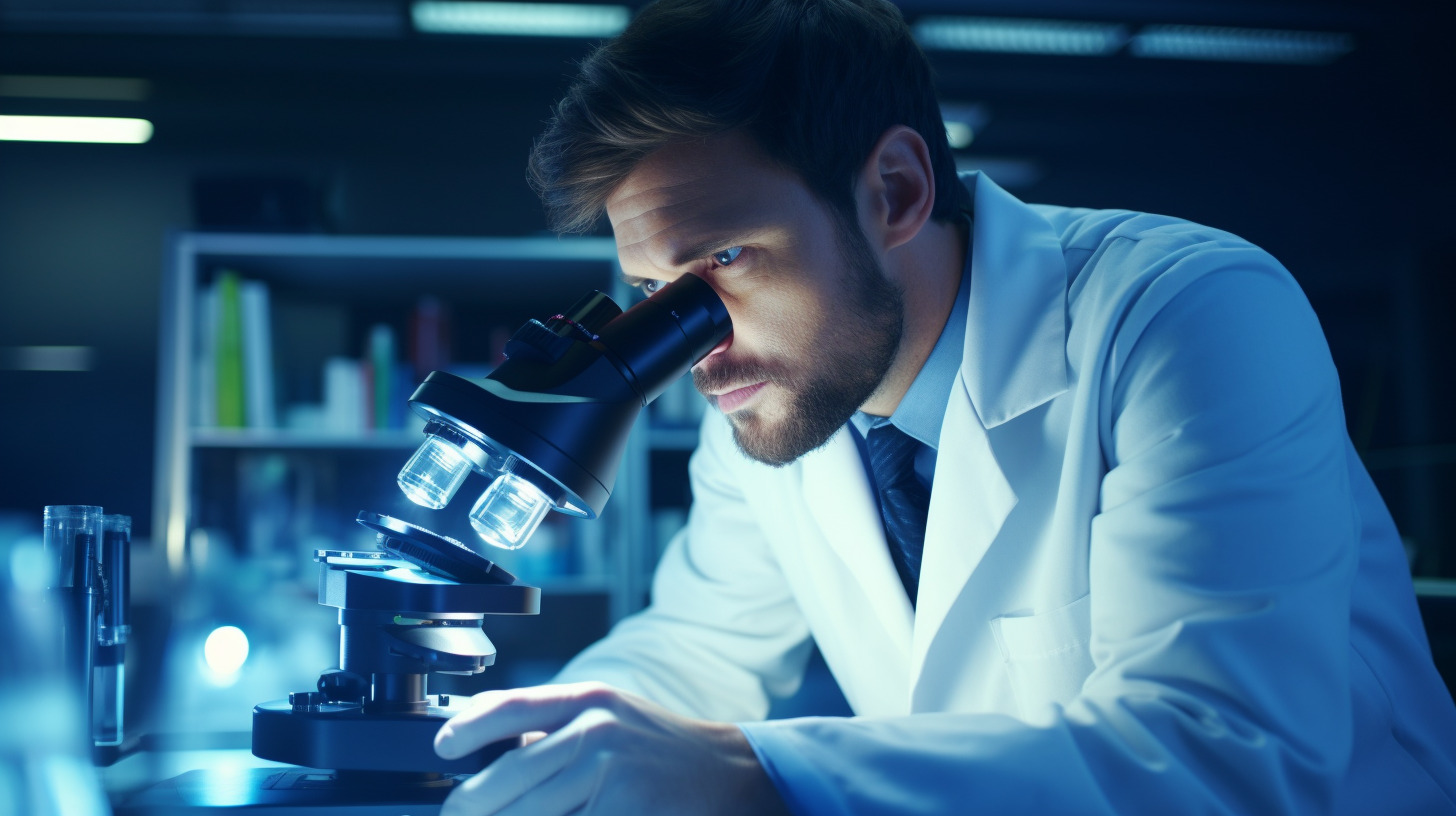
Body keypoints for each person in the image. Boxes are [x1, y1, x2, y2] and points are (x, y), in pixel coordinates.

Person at [432, 0, 1456, 813]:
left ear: (893, 189)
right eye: (655, 290)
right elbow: (697, 646)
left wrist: (756, 773)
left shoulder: (1186, 313)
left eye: (725, 259)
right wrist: (523, 749)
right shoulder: (772, 387)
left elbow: (1223, 759)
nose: (695, 343)